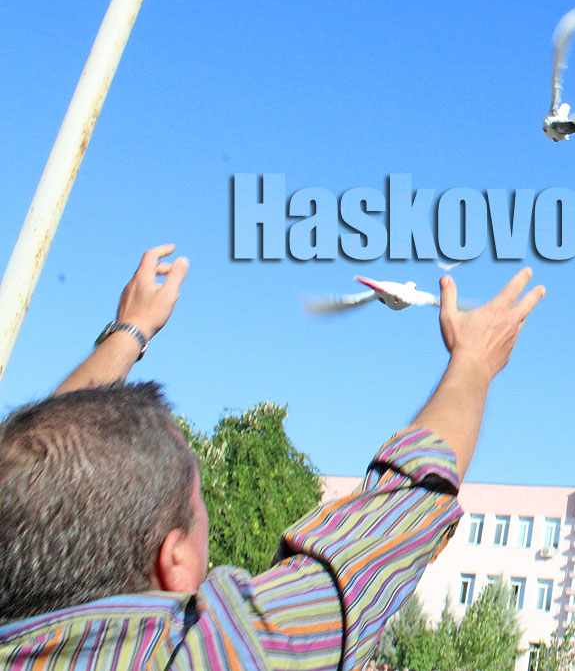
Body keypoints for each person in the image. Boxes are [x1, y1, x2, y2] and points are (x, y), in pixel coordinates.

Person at [0, 245, 544, 670]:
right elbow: (388, 523)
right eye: (198, 509)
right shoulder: (199, 657)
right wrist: (474, 360)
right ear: (175, 560)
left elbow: (36, 473)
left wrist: (127, 333)